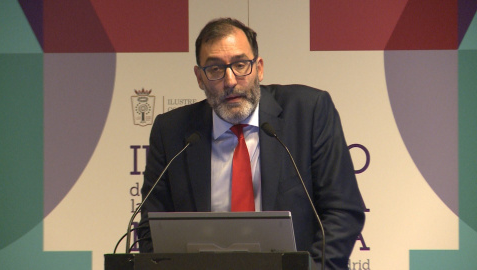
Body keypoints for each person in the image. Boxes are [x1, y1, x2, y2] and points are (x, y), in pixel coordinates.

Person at [137, 18, 365, 269]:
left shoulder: (309, 112)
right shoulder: (171, 132)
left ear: (259, 68)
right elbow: (151, 228)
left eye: (240, 65)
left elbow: (342, 212)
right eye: (215, 69)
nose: (231, 80)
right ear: (199, 78)